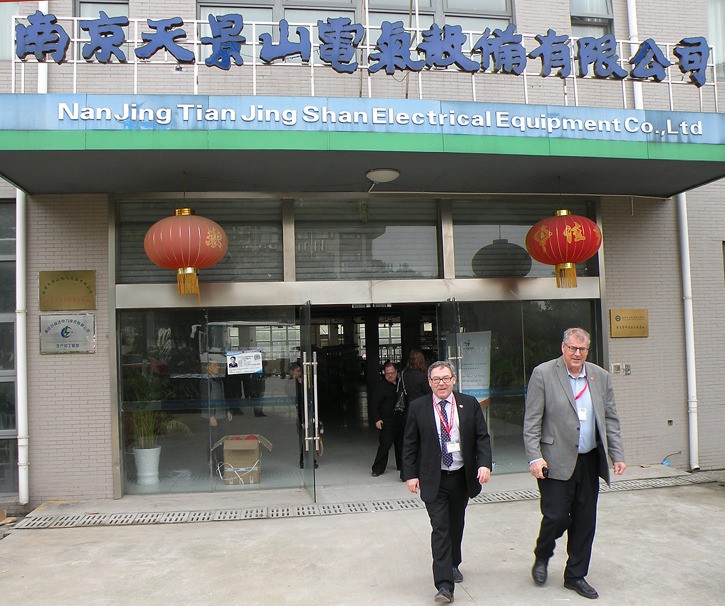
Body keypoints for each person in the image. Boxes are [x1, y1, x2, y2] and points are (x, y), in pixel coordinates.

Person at [523, 327, 626, 600]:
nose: (577, 354)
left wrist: (618, 454)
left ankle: (575, 575)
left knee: (584, 520)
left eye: (582, 349)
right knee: (556, 515)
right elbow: (532, 420)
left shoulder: (600, 376)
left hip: (589, 459)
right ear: (563, 348)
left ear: (587, 351)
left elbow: (611, 419)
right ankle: (542, 554)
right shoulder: (543, 374)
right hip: (554, 460)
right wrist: (534, 456)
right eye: (573, 348)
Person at [403, 361, 492, 604]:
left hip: (461, 476)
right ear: (429, 382)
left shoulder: (468, 404)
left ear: (454, 380)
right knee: (440, 528)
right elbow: (409, 443)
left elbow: (482, 438)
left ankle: (453, 562)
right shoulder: (418, 407)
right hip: (435, 479)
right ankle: (444, 585)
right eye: (436, 379)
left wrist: (484, 464)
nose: (441, 383)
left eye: (445, 378)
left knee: (456, 524)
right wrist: (410, 474)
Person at [370, 362, 406, 479]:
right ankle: (377, 469)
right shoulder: (380, 387)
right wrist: (377, 419)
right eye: (387, 374)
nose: (390, 375)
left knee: (401, 444)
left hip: (401, 419)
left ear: (396, 372)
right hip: (387, 420)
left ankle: (401, 466)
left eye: (392, 373)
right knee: (385, 445)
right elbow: (374, 404)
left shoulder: (401, 384)